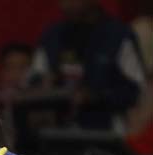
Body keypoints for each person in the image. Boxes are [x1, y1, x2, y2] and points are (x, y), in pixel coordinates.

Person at [28, 0, 147, 130]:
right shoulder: (52, 36)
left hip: (106, 132)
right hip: (56, 132)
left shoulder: (118, 36)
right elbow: (33, 80)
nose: (66, 4)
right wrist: (44, 85)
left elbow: (137, 91)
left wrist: (95, 97)